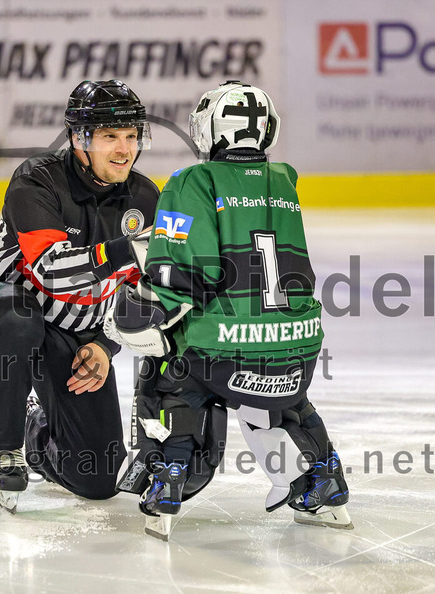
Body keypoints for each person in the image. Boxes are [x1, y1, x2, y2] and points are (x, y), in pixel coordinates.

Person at [107, 81, 352, 540]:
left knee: (168, 369)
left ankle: (170, 475)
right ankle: (323, 479)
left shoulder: (192, 181)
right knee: (284, 401)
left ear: (208, 128)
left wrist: (138, 311)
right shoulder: (285, 180)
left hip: (222, 355)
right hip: (297, 354)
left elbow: (185, 276)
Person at [0, 79, 159, 512]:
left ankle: (34, 432)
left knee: (99, 477)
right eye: (110, 137)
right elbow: (51, 272)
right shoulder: (37, 180)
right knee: (16, 316)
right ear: (79, 138)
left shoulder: (145, 197)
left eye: (131, 136)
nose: (124, 149)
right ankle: (3, 449)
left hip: (73, 330)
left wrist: (104, 345)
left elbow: (139, 291)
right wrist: (126, 249)